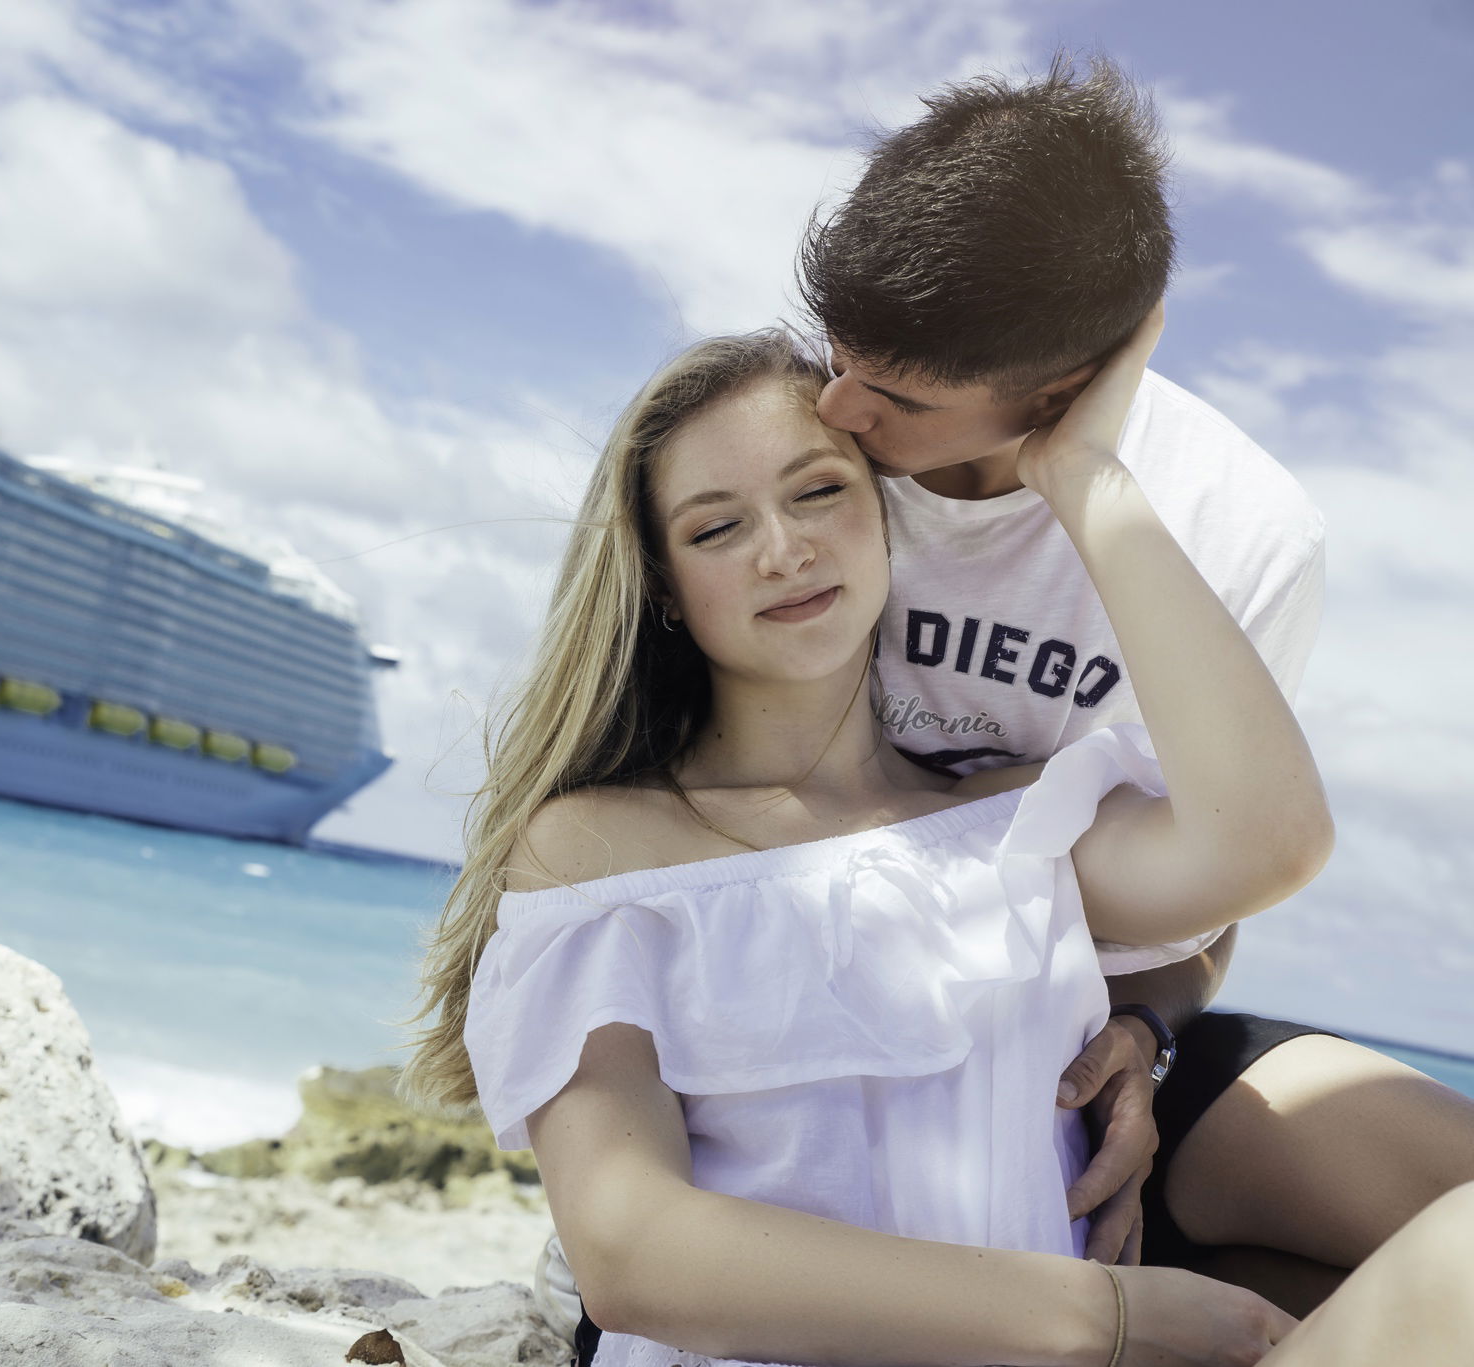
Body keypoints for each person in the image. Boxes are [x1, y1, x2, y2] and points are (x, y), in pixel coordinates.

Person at [398, 312, 1474, 1365]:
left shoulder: (1024, 818)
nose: (784, 549)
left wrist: (1086, 479)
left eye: (820, 491)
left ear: (889, 521)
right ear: (666, 588)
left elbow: (1269, 844)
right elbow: (632, 1250)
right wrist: (1106, 1315)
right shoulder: (598, 845)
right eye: (715, 528)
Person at [796, 52, 1474, 1313]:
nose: (836, 408)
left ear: (1060, 389)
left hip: (1083, 1038)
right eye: (834, 350)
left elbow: (1209, 898)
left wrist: (1143, 1041)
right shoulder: (780, 454)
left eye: (895, 396)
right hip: (821, 1018)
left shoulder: (1237, 522)